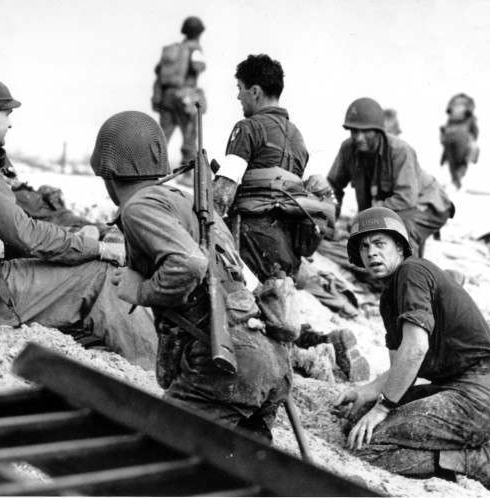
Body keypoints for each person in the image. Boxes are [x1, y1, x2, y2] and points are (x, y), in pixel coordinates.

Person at [0, 76, 156, 368]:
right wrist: (99, 248)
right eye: (7, 115)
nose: (10, 123)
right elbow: (28, 235)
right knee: (101, 273)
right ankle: (150, 371)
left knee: (75, 258)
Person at [90, 110, 292, 442]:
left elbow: (189, 263)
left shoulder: (139, 207)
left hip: (225, 363)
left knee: (156, 454)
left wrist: (141, 290)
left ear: (107, 172)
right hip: (266, 358)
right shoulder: (190, 205)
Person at [333, 207, 490, 490]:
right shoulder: (390, 295)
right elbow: (401, 367)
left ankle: (478, 458)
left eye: (380, 243)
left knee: (366, 446)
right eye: (365, 247)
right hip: (458, 392)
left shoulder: (411, 272)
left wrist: (383, 408)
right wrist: (365, 392)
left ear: (400, 247)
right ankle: (469, 442)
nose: (371, 253)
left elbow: (416, 349)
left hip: (478, 397)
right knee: (357, 420)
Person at [212, 54, 333, 282]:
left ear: (255, 91)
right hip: (287, 251)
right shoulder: (298, 139)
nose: (238, 96)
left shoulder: (248, 128)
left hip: (250, 243)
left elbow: (221, 195)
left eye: (240, 88)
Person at [327, 97, 454, 256]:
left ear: (379, 132)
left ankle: (410, 277)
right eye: (354, 131)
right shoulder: (348, 149)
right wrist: (328, 218)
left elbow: (406, 198)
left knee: (399, 231)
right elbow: (333, 186)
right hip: (394, 207)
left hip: (428, 204)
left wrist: (366, 217)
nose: (359, 138)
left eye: (366, 131)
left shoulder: (400, 151)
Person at [151, 16, 207, 186]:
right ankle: (187, 175)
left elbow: (158, 71)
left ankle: (150, 173)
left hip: (167, 96)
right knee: (190, 134)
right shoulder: (194, 48)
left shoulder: (172, 51)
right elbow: (199, 67)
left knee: (162, 136)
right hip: (185, 96)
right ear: (198, 33)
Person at [440, 93, 479, 189]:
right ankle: (457, 179)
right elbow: (475, 132)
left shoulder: (451, 118)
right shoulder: (470, 118)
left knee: (451, 160)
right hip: (463, 139)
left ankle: (455, 179)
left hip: (449, 138)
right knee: (465, 160)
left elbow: (445, 130)